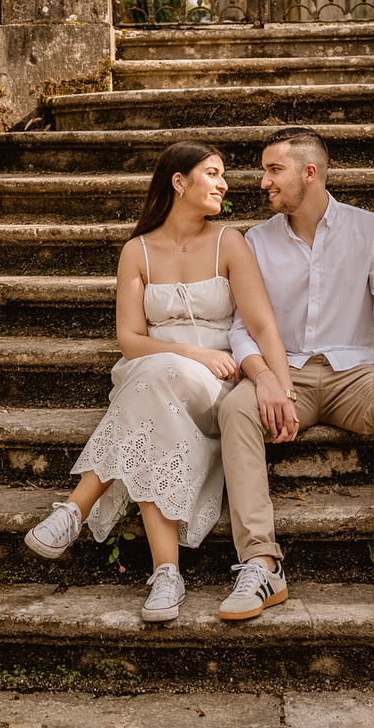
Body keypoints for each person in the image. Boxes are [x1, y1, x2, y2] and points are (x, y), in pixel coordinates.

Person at [23, 140, 297, 623]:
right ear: (179, 182)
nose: (224, 184)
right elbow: (130, 340)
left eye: (223, 175)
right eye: (213, 173)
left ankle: (75, 510)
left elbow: (262, 325)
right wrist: (192, 352)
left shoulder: (229, 242)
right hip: (154, 372)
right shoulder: (137, 251)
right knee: (154, 387)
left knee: (152, 390)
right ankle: (166, 573)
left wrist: (282, 387)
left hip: (214, 385)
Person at [217, 127, 374, 624]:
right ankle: (261, 564)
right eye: (264, 170)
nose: (263, 182)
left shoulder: (369, 230)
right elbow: (242, 327)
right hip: (285, 370)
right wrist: (264, 379)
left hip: (355, 373)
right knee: (235, 409)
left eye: (274, 170)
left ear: (309, 173)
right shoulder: (256, 241)